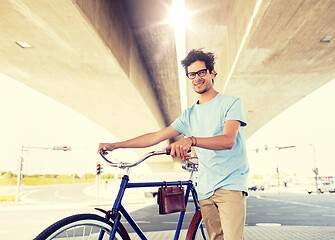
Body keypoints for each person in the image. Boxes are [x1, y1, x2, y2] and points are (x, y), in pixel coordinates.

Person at [98, 49, 249, 240]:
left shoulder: (231, 103)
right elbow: (156, 136)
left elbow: (228, 141)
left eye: (202, 72)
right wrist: (116, 145)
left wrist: (191, 140)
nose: (197, 78)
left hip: (230, 183)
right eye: (192, 75)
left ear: (212, 73)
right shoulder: (189, 115)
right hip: (205, 187)